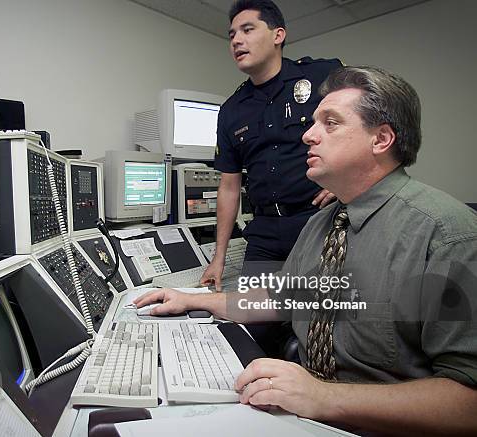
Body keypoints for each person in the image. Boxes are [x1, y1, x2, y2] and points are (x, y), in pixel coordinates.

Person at [136, 66, 477, 435]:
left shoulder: (444, 234)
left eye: (330, 123)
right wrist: (193, 300)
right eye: (313, 122)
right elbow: (283, 299)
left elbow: (468, 402)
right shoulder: (321, 223)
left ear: (381, 139)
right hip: (304, 412)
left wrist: (322, 397)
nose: (308, 136)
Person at [200, 0, 340, 292]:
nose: (237, 40)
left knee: (316, 320)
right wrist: (218, 258)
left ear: (278, 35)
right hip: (265, 231)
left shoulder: (321, 77)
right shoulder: (231, 111)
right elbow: (229, 186)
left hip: (317, 222)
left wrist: (347, 180)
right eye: (232, 35)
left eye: (248, 29)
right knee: (254, 323)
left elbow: (368, 121)